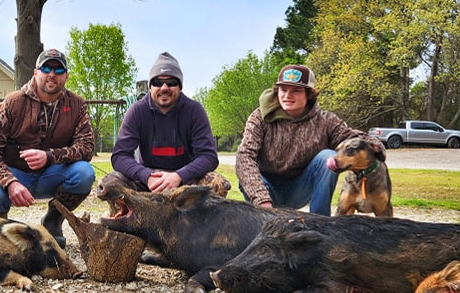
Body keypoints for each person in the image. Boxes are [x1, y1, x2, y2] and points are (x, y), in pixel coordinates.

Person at [0, 48, 96, 246]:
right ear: (35, 72)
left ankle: (53, 220)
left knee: (84, 173)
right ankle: (1, 231)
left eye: (58, 70)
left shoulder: (77, 105)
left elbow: (87, 147)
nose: (52, 74)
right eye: (46, 68)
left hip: (52, 174)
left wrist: (49, 156)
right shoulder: (13, 102)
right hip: (16, 173)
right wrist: (10, 182)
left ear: (66, 76)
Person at [235, 64, 369, 215]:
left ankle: (319, 221)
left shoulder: (326, 120)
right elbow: (244, 156)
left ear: (309, 94)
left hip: (300, 189)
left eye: (296, 91)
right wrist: (262, 201)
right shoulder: (259, 117)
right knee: (245, 170)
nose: (287, 95)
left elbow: (357, 140)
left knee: (328, 156)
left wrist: (376, 148)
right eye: (283, 90)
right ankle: (263, 218)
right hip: (265, 188)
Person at [99, 51, 230, 197]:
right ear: (150, 87)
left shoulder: (194, 111)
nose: (164, 88)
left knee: (218, 184)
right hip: (146, 181)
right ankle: (129, 213)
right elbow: (120, 156)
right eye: (158, 82)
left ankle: (196, 213)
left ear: (180, 86)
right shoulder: (137, 111)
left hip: (186, 182)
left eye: (172, 82)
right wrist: (147, 175)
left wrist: (179, 176)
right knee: (109, 183)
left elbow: (208, 156)